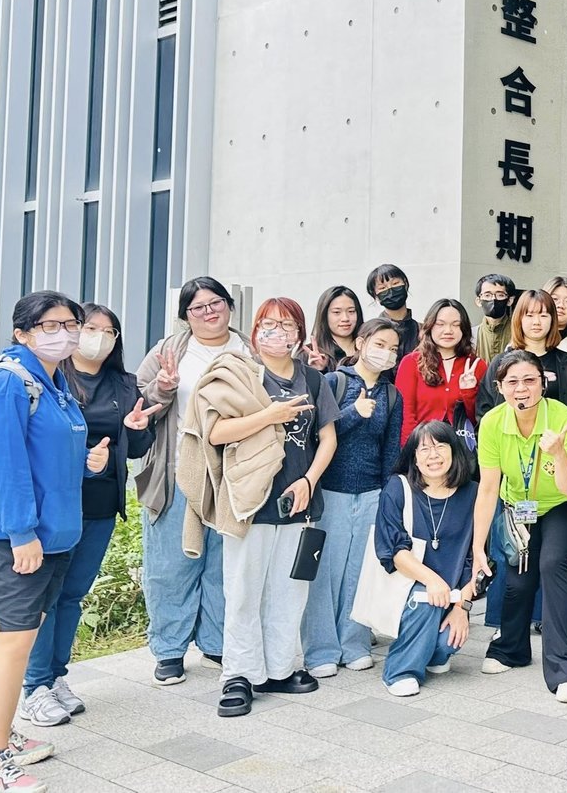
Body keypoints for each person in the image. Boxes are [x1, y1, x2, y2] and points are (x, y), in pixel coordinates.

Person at [0, 292, 97, 793]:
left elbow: (47, 458)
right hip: (3, 537)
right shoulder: (6, 384)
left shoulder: (54, 383)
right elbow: (3, 465)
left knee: (22, 640)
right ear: (22, 333)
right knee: (10, 642)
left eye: (71, 323)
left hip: (51, 535)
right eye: (49, 325)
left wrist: (90, 464)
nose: (65, 332)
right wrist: (21, 534)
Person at [21, 305, 158, 727]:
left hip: (99, 505)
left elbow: (136, 449)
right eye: (91, 328)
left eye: (109, 331)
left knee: (72, 595)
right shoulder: (52, 378)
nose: (99, 337)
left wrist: (137, 429)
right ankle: (34, 686)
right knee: (43, 597)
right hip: (55, 505)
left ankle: (55, 675)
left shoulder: (125, 384)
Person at [203, 297, 340, 716]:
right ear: (255, 328)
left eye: (287, 325)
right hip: (251, 501)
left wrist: (309, 480)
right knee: (244, 590)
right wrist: (270, 415)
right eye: (269, 324)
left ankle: (280, 668)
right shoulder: (243, 375)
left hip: (300, 501)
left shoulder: (312, 379)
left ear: (300, 333)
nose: (277, 332)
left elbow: (327, 438)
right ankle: (239, 675)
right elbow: (216, 432)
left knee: (290, 589)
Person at [135, 276, 251, 684]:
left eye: (216, 302)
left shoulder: (248, 348)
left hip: (233, 473)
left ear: (229, 305)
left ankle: (216, 642)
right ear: (186, 315)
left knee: (222, 563)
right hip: (178, 470)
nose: (209, 312)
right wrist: (163, 388)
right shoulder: (169, 351)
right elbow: (140, 404)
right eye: (198, 307)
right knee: (171, 564)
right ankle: (169, 649)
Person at [472, 352, 567, 703]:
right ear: (499, 387)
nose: (521, 389)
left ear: (543, 383)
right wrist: (478, 546)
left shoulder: (562, 417)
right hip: (520, 505)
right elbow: (488, 487)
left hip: (566, 502)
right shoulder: (492, 422)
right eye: (512, 382)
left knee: (553, 563)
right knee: (518, 577)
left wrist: (557, 453)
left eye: (530, 380)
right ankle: (511, 649)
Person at [301, 319, 403, 677]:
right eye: (380, 344)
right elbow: (318, 436)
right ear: (360, 343)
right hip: (331, 491)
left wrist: (389, 495)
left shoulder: (392, 395)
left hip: (372, 493)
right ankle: (320, 651)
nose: (387, 353)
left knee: (361, 573)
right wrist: (353, 414)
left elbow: (391, 450)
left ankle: (354, 644)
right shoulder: (333, 382)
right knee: (324, 574)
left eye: (393, 348)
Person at [377, 422, 478, 696]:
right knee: (426, 597)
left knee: (449, 642)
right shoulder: (398, 488)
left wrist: (462, 608)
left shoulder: (473, 493)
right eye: (424, 449)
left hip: (453, 596)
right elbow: (393, 551)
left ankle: (430, 653)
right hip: (409, 590)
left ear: (454, 451)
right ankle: (399, 671)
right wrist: (432, 581)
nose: (433, 455)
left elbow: (479, 559)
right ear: (414, 457)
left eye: (440, 447)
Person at [476, 289, 567, 423]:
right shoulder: (500, 362)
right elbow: (484, 411)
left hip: (556, 435)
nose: (536, 322)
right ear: (519, 319)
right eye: (529, 315)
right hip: (506, 435)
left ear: (553, 320)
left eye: (543, 315)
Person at [395, 299, 486, 444]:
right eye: (440, 324)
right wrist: (413, 449)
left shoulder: (476, 365)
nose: (448, 331)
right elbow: (405, 414)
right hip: (422, 446)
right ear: (430, 326)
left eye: (456, 324)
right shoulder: (411, 362)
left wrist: (468, 393)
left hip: (463, 449)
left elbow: (480, 420)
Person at [303, 286, 364, 372]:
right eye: (337, 312)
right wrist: (319, 371)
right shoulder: (308, 354)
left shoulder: (369, 349)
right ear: (324, 315)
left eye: (351, 311)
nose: (345, 318)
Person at [367, 264, 419, 362]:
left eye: (395, 283)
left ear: (405, 284)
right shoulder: (371, 332)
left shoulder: (423, 330)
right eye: (382, 288)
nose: (390, 290)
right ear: (375, 296)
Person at [472, 274, 516, 364]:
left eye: (500, 295)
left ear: (509, 300)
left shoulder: (519, 332)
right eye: (487, 295)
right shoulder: (470, 335)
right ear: (478, 301)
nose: (493, 299)